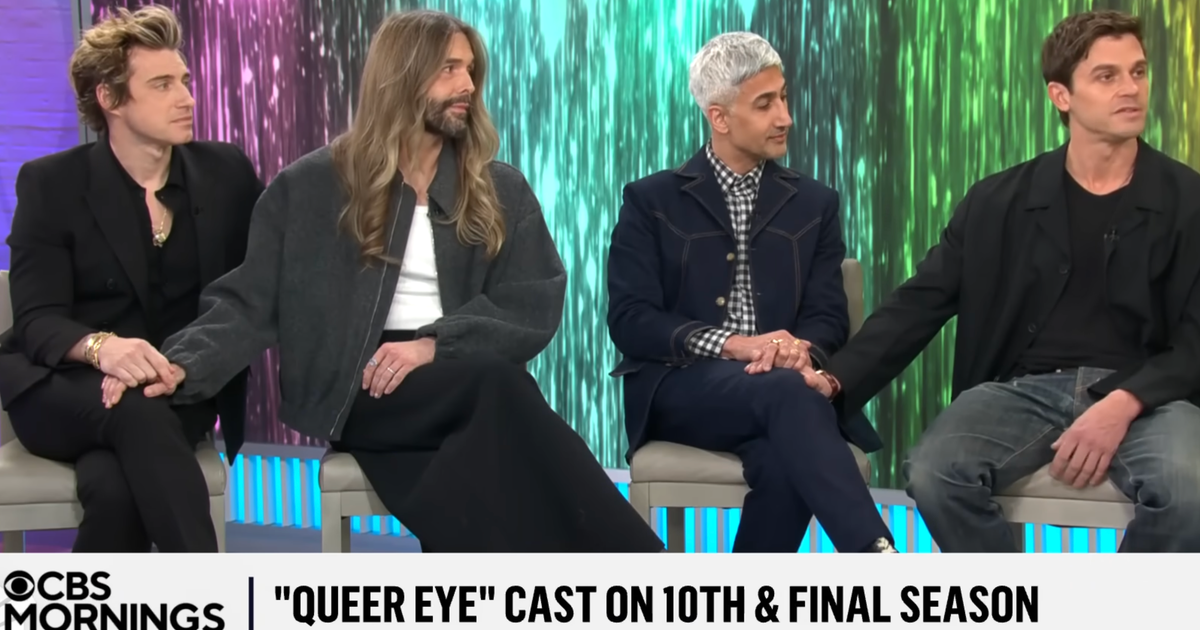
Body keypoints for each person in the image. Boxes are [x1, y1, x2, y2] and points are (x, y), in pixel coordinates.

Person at [141, 9, 664, 553]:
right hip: (360, 382)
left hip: (460, 371)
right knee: (502, 390)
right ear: (402, 77)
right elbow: (248, 301)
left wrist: (436, 343)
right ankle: (642, 567)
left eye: (470, 70)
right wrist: (182, 364)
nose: (468, 85)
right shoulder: (311, 187)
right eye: (448, 69)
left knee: (489, 423)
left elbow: (533, 300)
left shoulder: (499, 188)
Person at [807, 10, 1200, 552]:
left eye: (1138, 71)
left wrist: (1125, 400)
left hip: (1149, 396)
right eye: (1107, 76)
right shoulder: (997, 201)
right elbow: (918, 304)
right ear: (1061, 96)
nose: (1131, 88)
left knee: (1189, 489)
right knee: (934, 470)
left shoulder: (1189, 200)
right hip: (1023, 391)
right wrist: (834, 378)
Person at [606, 32, 896, 553]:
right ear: (719, 117)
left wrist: (798, 350)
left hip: (782, 392)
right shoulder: (651, 201)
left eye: (783, 97)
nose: (785, 117)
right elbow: (631, 319)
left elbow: (828, 313)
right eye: (765, 104)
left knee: (787, 456)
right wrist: (734, 345)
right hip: (681, 388)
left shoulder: (816, 203)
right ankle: (876, 554)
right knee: (792, 395)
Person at [0, 6, 261, 552]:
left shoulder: (226, 174)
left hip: (173, 385)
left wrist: (182, 364)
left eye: (184, 81)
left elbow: (257, 289)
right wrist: (106, 350)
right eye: (162, 85)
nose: (186, 98)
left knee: (115, 489)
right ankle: (209, 590)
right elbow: (37, 320)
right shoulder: (52, 184)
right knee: (136, 411)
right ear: (110, 98)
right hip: (61, 388)